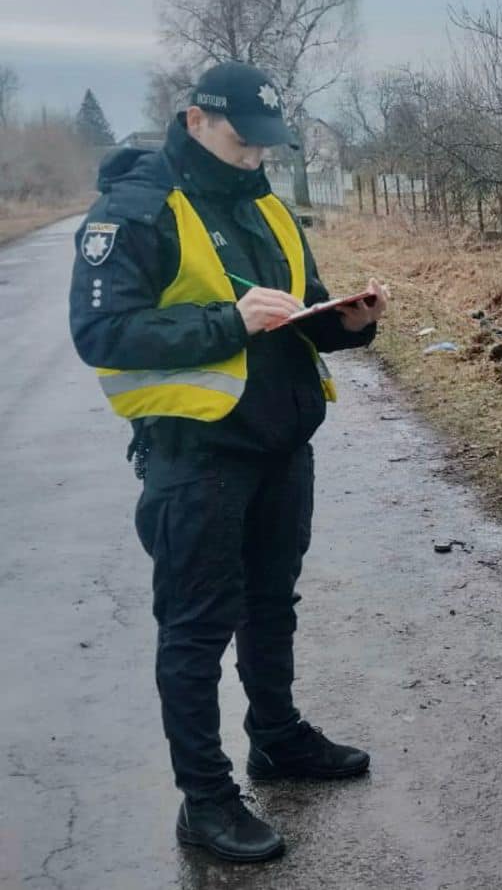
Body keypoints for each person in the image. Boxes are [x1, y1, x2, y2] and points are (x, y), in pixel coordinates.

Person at [67, 62, 390, 863]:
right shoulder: (136, 210)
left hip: (281, 445)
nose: (256, 155)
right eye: (244, 139)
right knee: (196, 627)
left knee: (272, 603)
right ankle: (204, 800)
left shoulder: (267, 203)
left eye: (266, 143)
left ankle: (277, 738)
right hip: (196, 456)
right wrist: (227, 324)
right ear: (195, 118)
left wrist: (347, 322)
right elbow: (103, 335)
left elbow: (301, 307)